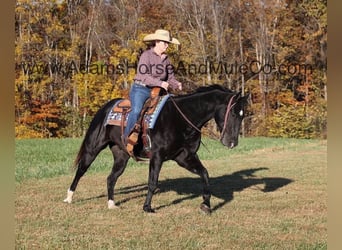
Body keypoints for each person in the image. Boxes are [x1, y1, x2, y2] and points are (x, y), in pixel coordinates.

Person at [123, 29, 183, 142]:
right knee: (136, 110)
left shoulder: (166, 59)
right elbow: (143, 75)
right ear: (157, 42)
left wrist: (176, 84)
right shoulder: (146, 55)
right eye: (164, 43)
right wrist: (160, 83)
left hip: (157, 91)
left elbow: (170, 78)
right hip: (141, 89)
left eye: (168, 43)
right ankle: (126, 137)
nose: (167, 45)